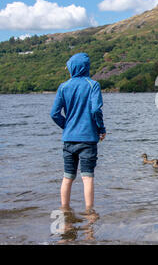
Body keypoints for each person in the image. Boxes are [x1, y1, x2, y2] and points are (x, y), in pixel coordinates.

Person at [50, 53, 106, 214]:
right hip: (88, 139)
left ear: (72, 68)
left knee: (67, 177)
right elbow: (96, 109)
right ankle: (89, 214)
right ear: (86, 67)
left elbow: (54, 114)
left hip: (69, 139)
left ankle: (65, 212)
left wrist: (67, 127)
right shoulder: (93, 85)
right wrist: (101, 129)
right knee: (87, 177)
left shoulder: (64, 86)